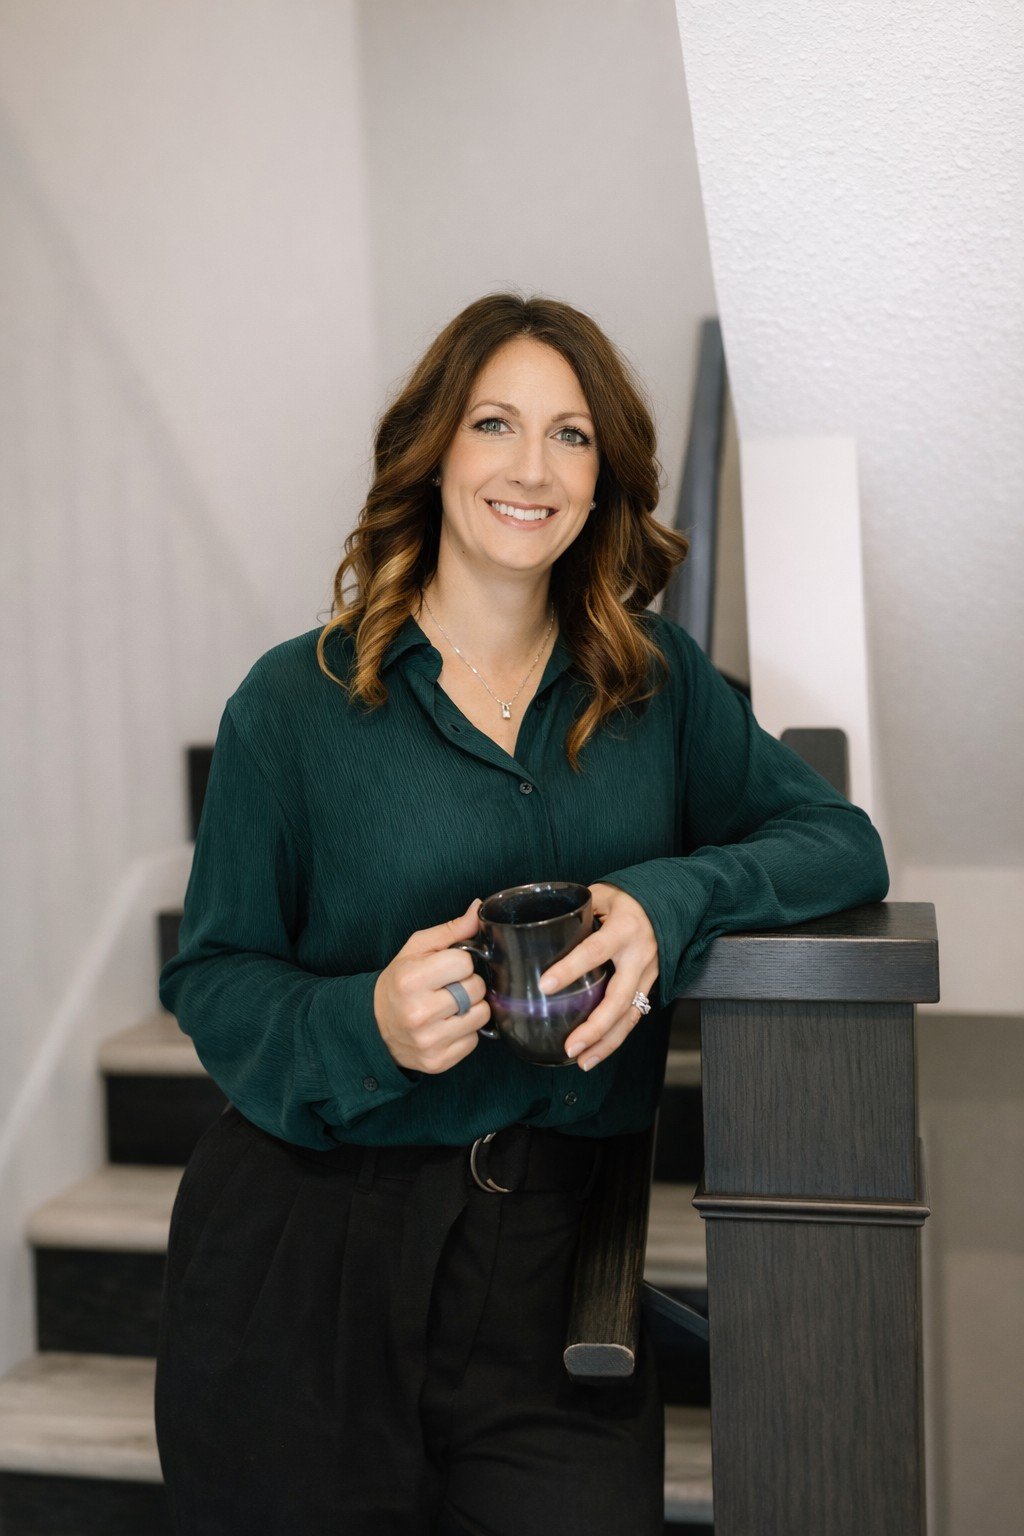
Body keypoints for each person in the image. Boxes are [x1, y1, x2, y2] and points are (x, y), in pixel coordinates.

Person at [154, 292, 889, 1535]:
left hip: (557, 1272)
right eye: (495, 423)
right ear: (435, 449)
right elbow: (213, 975)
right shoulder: (293, 704)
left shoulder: (655, 687)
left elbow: (840, 841)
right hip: (307, 1258)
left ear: (604, 476)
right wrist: (364, 1024)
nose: (531, 468)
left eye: (572, 435)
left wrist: (670, 899)